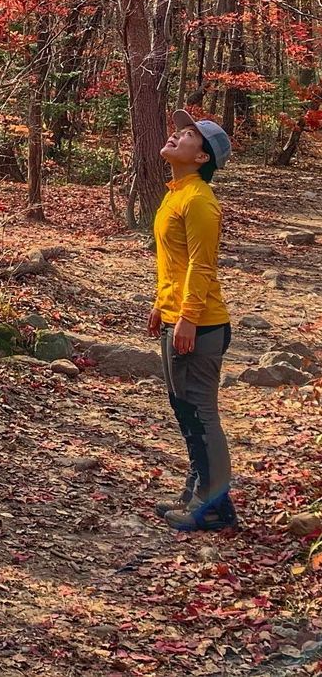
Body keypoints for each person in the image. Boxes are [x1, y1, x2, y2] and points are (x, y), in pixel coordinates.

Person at [146, 109, 236, 532]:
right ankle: (198, 493)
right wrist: (159, 305)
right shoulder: (175, 192)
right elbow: (173, 263)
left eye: (187, 135)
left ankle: (214, 505)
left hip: (199, 324)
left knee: (200, 412)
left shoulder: (199, 200)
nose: (176, 136)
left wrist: (186, 318)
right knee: (185, 410)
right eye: (178, 131)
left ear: (202, 158)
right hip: (177, 315)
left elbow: (202, 265)